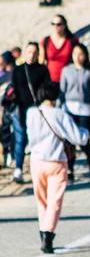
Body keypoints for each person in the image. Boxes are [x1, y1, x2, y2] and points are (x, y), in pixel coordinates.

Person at [26, 81, 89, 254]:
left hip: (37, 161)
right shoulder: (60, 115)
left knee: (41, 200)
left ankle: (43, 232)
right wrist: (85, 132)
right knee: (55, 201)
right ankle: (48, 235)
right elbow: (78, 138)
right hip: (56, 162)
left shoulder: (31, 113)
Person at [58, 44, 90, 180]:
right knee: (69, 140)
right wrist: (59, 107)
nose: (77, 57)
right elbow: (62, 90)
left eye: (80, 54)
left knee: (83, 139)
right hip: (69, 108)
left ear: (85, 55)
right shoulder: (66, 70)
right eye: (75, 53)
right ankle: (70, 167)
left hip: (84, 109)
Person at [11, 42, 50, 184]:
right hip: (20, 109)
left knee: (36, 140)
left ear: (38, 54)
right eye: (29, 52)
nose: (31, 55)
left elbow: (47, 88)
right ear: (25, 53)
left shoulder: (42, 70)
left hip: (36, 109)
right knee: (20, 139)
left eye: (34, 52)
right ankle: (18, 169)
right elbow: (13, 86)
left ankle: (38, 170)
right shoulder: (18, 70)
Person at [39, 15, 79, 85]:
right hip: (50, 80)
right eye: (53, 24)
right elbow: (41, 62)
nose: (55, 26)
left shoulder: (72, 40)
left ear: (64, 25)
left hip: (69, 80)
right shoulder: (46, 41)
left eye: (58, 24)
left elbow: (78, 58)